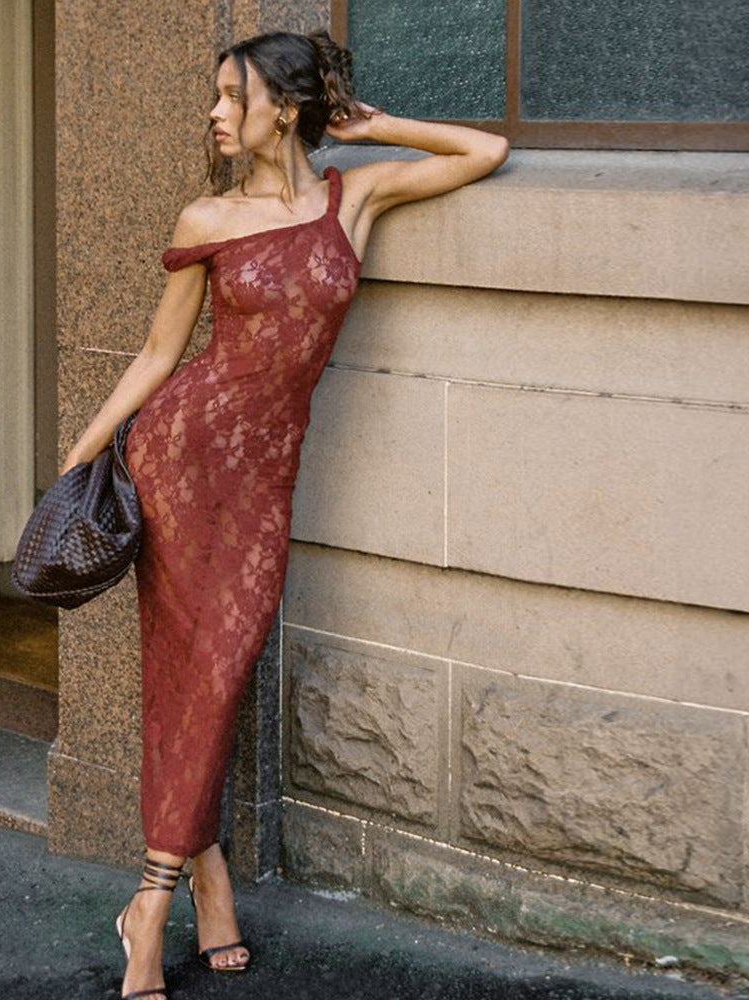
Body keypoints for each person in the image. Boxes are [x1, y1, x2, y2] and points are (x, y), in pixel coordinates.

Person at [59, 29, 509, 1000]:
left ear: (286, 109)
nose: (215, 114)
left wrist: (373, 127)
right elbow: (159, 356)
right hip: (181, 460)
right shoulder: (208, 217)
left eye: (233, 96)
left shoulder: (357, 197)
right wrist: (82, 455)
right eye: (216, 96)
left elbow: (486, 151)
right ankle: (153, 906)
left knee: (216, 673)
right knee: (194, 673)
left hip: (262, 481)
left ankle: (203, 882)